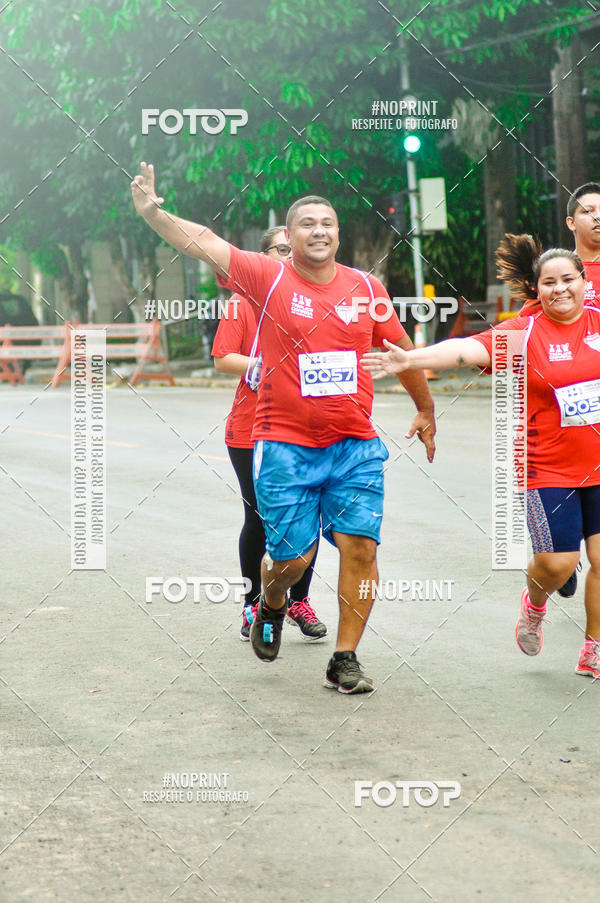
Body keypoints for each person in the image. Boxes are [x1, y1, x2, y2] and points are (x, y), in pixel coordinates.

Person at [131, 162, 436, 694]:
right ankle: (272, 600)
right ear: (289, 236)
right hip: (285, 448)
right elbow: (205, 242)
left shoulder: (367, 287)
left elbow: (402, 352)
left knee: (361, 549)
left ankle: (345, 658)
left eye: (328, 223)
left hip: (354, 447)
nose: (320, 231)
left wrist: (426, 409)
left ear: (338, 233)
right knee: (292, 561)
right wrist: (155, 212)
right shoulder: (267, 277)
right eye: (308, 224)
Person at [362, 234, 600, 680]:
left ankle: (593, 649)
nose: (560, 289)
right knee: (557, 563)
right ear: (536, 288)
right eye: (549, 282)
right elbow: (466, 349)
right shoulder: (523, 333)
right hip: (547, 467)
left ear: (584, 282)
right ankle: (534, 603)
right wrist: (411, 359)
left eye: (569, 279)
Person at [211, 227, 326, 641]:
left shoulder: (310, 301)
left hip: (303, 426)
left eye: (291, 250)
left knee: (306, 519)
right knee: (260, 519)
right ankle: (251, 604)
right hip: (251, 430)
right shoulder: (243, 302)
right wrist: (260, 366)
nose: (288, 256)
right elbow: (223, 357)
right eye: (281, 249)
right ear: (262, 257)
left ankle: (298, 600)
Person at [519, 183, 600, 597]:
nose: (598, 217)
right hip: (551, 440)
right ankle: (555, 557)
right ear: (572, 221)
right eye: (588, 211)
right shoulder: (553, 282)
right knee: (558, 560)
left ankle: (594, 649)